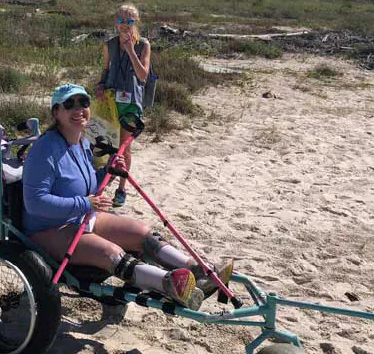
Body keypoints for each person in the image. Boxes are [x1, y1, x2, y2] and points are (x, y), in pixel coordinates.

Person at [22, 83, 234, 310]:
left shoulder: (81, 142)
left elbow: (88, 184)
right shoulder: (44, 150)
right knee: (111, 253)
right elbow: (35, 203)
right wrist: (85, 203)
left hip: (84, 217)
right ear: (56, 112)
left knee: (144, 234)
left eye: (83, 102)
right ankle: (170, 284)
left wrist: (109, 172)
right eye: (69, 104)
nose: (78, 109)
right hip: (50, 229)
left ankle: (199, 270)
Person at [96, 3, 150, 207]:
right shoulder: (109, 44)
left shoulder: (143, 44)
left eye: (129, 21)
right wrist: (100, 84)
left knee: (123, 148)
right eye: (121, 21)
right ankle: (102, 181)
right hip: (110, 100)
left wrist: (130, 50)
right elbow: (105, 69)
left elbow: (143, 75)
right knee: (106, 143)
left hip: (130, 103)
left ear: (136, 23)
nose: (125, 25)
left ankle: (122, 187)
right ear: (115, 22)